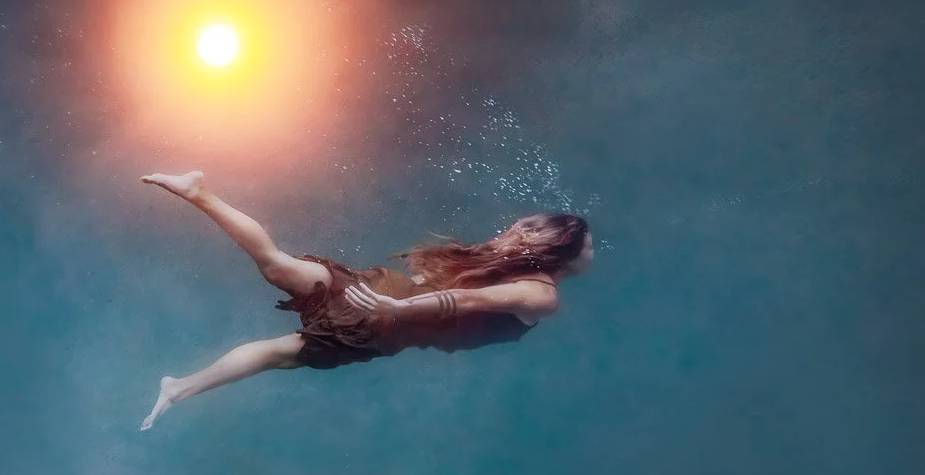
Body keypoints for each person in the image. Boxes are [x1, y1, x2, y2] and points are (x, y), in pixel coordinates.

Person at [137, 171, 594, 430]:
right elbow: (464, 302)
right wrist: (399, 310)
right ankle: (178, 389)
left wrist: (402, 298)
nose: (594, 252)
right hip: (385, 320)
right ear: (566, 250)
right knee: (280, 354)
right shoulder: (541, 295)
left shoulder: (508, 265)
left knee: (277, 265)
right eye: (589, 244)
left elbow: (457, 293)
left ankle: (200, 192)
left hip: (386, 291)